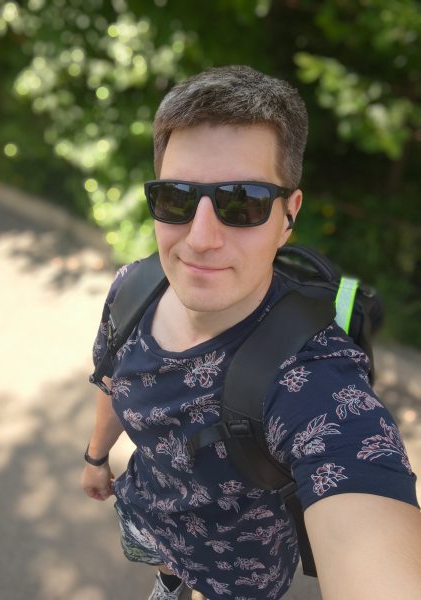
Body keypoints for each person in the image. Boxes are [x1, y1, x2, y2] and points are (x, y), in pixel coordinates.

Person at [81, 65, 421, 600]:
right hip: (150, 519)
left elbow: (365, 508)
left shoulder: (310, 378)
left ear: (288, 215)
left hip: (241, 575)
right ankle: (170, 581)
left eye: (243, 202)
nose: (200, 238)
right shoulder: (132, 289)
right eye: (176, 197)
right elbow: (112, 380)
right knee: (166, 571)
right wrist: (97, 457)